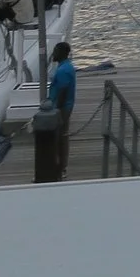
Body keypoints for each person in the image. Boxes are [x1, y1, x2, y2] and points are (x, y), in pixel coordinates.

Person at [48, 41, 79, 176]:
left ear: (61, 53)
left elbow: (62, 91)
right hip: (64, 106)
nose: (53, 53)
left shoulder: (63, 70)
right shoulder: (66, 67)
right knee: (62, 137)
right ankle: (60, 166)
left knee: (60, 138)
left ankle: (61, 168)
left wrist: (56, 110)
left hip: (62, 108)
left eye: (55, 51)